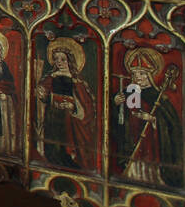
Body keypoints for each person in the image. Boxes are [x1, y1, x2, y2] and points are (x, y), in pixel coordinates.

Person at [113, 47, 182, 188]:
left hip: (152, 141)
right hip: (133, 139)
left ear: (150, 75)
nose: (138, 77)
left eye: (142, 73)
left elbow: (172, 124)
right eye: (135, 74)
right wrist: (116, 102)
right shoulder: (129, 91)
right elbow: (118, 119)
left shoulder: (159, 98)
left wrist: (151, 118)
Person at [34, 37, 96, 170]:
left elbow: (87, 104)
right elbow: (42, 94)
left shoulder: (77, 81)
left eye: (62, 59)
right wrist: (42, 94)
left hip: (69, 120)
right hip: (53, 117)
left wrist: (73, 107)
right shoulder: (52, 77)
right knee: (53, 146)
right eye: (56, 59)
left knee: (66, 146)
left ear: (70, 60)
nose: (59, 62)